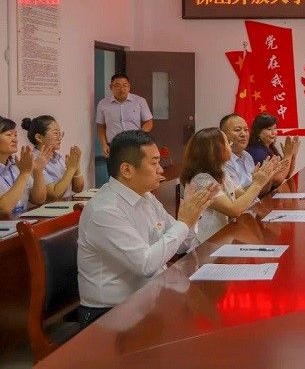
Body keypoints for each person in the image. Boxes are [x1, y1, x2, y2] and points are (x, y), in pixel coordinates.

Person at [77, 130, 217, 329]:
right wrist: (183, 223)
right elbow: (146, 265)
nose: (161, 169)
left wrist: (193, 216)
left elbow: (181, 245)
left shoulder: (146, 197)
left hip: (148, 297)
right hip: (110, 314)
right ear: (127, 170)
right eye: (154, 163)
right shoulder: (105, 211)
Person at [180, 128, 285, 249]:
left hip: (224, 236)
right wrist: (257, 184)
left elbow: (242, 195)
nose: (230, 145)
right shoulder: (201, 179)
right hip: (206, 244)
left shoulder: (222, 171)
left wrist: (261, 179)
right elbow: (233, 210)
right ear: (215, 149)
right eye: (226, 142)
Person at [21, 115, 85, 200]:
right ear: (39, 137)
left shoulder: (57, 157)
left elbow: (78, 188)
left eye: (60, 133)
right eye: (55, 133)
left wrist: (76, 165)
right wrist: (71, 169)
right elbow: (54, 195)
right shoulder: (34, 161)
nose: (59, 138)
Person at [95, 73, 153, 159]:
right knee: (114, 168)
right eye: (117, 85)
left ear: (129, 86)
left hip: (135, 144)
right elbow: (100, 126)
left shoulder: (139, 101)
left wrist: (139, 136)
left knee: (135, 167)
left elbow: (149, 122)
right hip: (113, 145)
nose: (121, 89)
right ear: (111, 87)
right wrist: (104, 144)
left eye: (125, 85)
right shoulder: (103, 104)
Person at [0, 116, 49, 216]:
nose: (15, 140)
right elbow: (3, 209)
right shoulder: (22, 169)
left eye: (15, 135)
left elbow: (38, 199)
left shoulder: (15, 166)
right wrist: (24, 173)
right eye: (9, 135)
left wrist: (38, 171)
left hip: (20, 222)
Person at [245, 113, 299, 186]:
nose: (274, 132)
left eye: (275, 128)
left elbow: (287, 174)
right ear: (258, 132)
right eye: (269, 129)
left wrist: (293, 155)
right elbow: (277, 180)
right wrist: (288, 155)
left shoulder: (270, 148)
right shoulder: (257, 151)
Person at [219, 114, 256, 190]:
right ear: (224, 135)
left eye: (246, 130)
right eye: (237, 130)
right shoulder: (223, 160)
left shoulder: (247, 155)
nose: (243, 134)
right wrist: (258, 183)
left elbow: (259, 191)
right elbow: (235, 195)